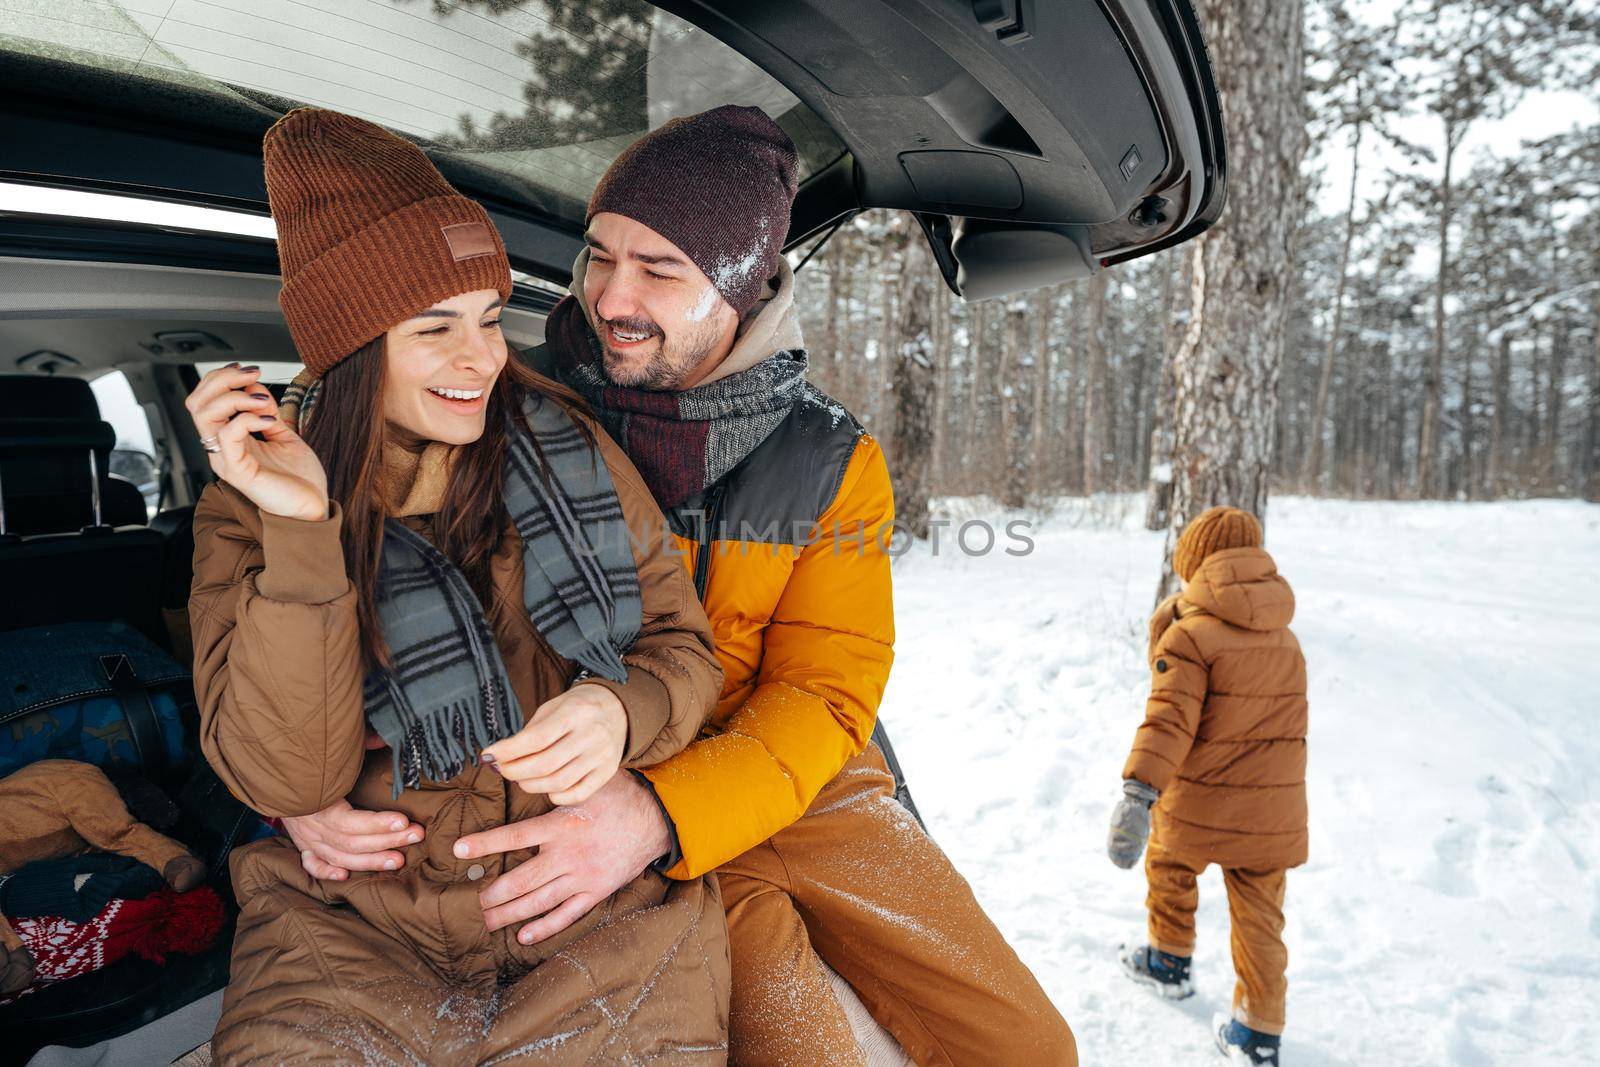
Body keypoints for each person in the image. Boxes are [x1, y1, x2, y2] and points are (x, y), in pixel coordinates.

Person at [286, 105, 1077, 1067]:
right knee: (803, 1048)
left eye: (660, 270)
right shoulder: (501, 403)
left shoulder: (829, 459)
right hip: (579, 786)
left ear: (739, 287)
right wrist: (301, 788)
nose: (611, 296)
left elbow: (828, 688)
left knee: (1025, 1045)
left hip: (789, 780)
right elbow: (349, 605)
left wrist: (665, 811)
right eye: (600, 254)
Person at [185, 108, 729, 1063]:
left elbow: (681, 653)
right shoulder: (249, 504)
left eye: (488, 317)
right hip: (348, 932)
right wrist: (305, 532)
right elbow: (284, 777)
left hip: (600, 917)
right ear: (353, 346)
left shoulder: (572, 444)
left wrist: (620, 710)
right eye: (435, 327)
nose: (482, 358)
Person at [1106, 506, 1308, 1067]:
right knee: (1261, 919)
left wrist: (1138, 792)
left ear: (1194, 562)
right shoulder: (1286, 637)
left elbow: (1169, 721)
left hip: (1199, 801)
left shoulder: (1189, 635)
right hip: (1272, 811)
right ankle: (1260, 1032)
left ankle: (1168, 960)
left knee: (1169, 866)